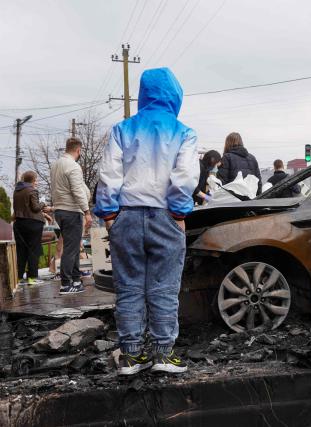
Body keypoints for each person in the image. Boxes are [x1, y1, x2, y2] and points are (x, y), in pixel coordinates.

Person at [94, 67, 199, 376]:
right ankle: (163, 354)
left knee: (128, 288)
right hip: (165, 217)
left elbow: (108, 175)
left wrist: (110, 215)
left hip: (126, 216)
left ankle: (130, 356)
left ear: (143, 95)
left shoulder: (121, 129)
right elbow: (186, 177)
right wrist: (179, 213)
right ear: (176, 96)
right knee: (164, 288)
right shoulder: (184, 133)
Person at [50, 137, 92, 294]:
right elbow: (77, 191)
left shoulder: (55, 165)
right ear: (78, 150)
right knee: (71, 249)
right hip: (71, 210)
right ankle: (66, 284)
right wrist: (87, 212)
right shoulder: (73, 166)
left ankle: (75, 280)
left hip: (60, 211)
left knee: (72, 247)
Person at [12, 171, 51, 285]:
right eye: (36, 180)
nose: (37, 183)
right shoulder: (32, 190)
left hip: (19, 224)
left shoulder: (16, 191)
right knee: (33, 251)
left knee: (21, 251)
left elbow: (23, 209)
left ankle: (19, 278)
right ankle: (32, 278)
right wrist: (43, 203)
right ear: (33, 180)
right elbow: (35, 208)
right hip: (33, 224)